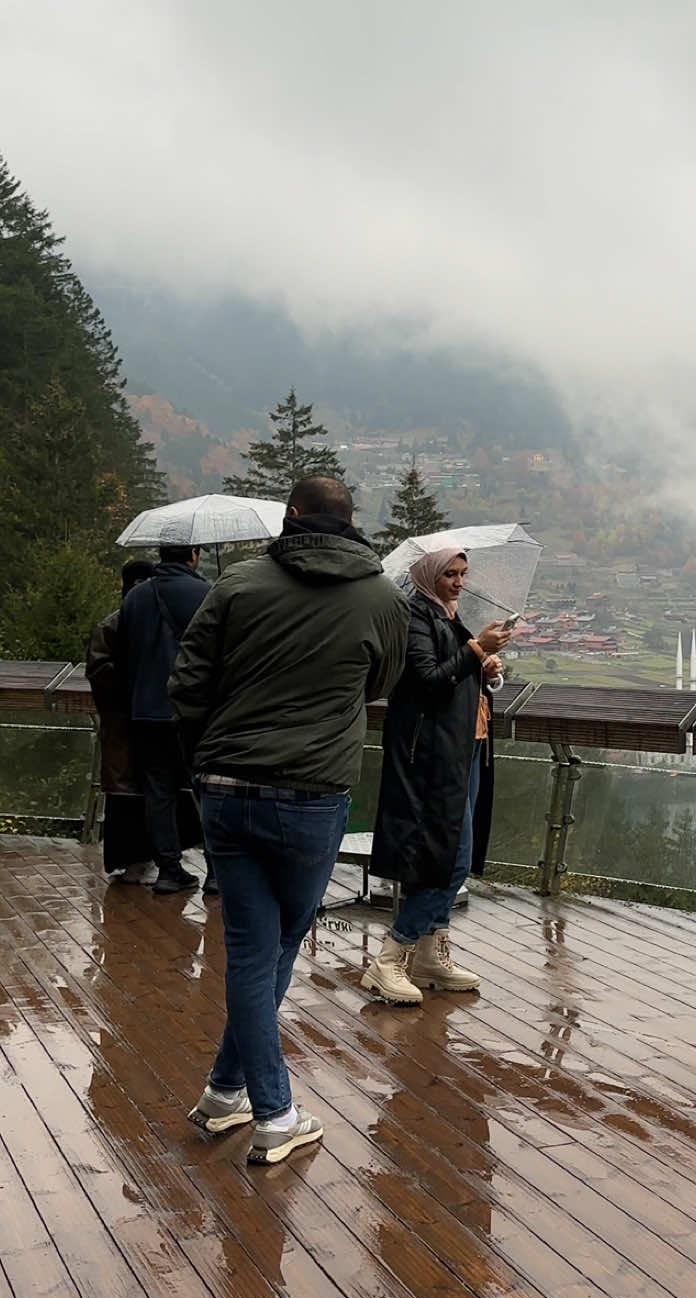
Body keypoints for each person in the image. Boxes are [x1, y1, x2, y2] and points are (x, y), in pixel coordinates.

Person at [171, 476, 408, 1165]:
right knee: (276, 944)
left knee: (255, 945)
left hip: (225, 787)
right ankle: (275, 1112)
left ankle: (224, 1092)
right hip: (313, 794)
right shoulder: (383, 599)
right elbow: (381, 684)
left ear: (292, 517)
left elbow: (186, 684)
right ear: (352, 521)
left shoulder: (239, 583)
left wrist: (212, 750)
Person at [365, 549, 511, 1005]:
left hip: (466, 747)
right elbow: (426, 677)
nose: (458, 582)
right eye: (450, 573)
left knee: (446, 854)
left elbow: (459, 675)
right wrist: (475, 651)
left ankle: (429, 951)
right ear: (430, 575)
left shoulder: (449, 616)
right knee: (450, 857)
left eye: (464, 574)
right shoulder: (416, 616)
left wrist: (488, 670)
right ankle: (391, 956)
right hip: (431, 755)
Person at [116, 544, 212, 894]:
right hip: (192, 713)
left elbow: (123, 656)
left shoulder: (137, 598)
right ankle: (217, 872)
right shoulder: (206, 594)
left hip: (144, 711)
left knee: (159, 792)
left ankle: (170, 870)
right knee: (206, 790)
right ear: (194, 555)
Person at [86, 559, 157, 881]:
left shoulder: (137, 624)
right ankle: (131, 861)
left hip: (143, 721)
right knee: (126, 795)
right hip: (124, 724)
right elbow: (100, 673)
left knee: (148, 792)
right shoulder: (113, 626)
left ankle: (151, 858)